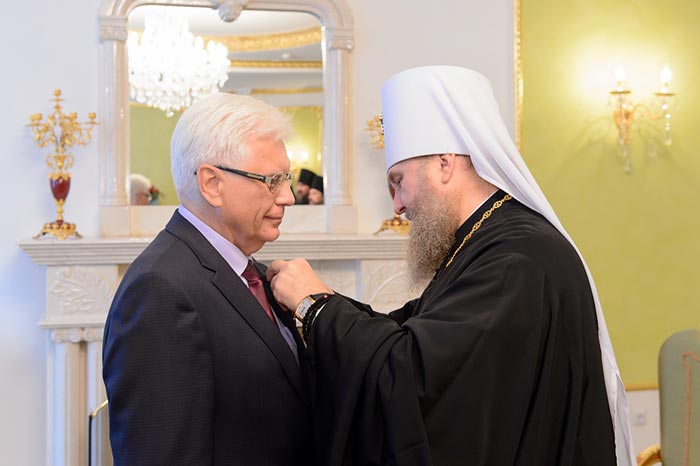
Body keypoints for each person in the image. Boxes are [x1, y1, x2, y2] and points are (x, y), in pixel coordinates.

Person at [267, 66, 634, 466]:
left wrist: (314, 305)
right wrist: (321, 299)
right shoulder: (486, 239)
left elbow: (416, 375)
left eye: (398, 181)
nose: (397, 206)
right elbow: (411, 327)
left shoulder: (516, 257)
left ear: (445, 163)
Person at [103, 92, 312, 466]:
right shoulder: (159, 291)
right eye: (272, 180)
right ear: (212, 184)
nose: (288, 196)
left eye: (288, 178)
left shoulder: (255, 274)